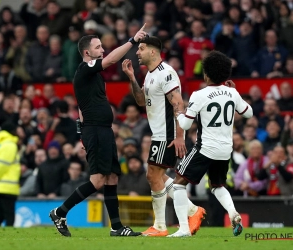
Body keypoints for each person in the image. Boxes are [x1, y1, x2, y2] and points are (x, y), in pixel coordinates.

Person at [49, 24, 148, 237]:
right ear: (87, 53)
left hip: (102, 130)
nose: (102, 50)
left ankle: (117, 227)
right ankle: (60, 212)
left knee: (112, 178)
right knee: (98, 180)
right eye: (98, 47)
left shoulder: (92, 76)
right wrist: (132, 41)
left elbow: (81, 105)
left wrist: (82, 130)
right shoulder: (85, 69)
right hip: (95, 131)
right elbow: (111, 59)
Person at [122, 36, 206, 237]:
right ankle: (192, 210)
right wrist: (132, 78)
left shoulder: (166, 73)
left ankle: (160, 226)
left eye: (141, 48)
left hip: (167, 133)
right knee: (155, 175)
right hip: (158, 132)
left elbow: (178, 104)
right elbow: (141, 101)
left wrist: (179, 136)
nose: (137, 52)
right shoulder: (150, 75)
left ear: (153, 51)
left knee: (153, 175)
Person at [169, 51, 253, 237]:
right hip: (225, 151)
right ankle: (233, 213)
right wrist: (235, 92)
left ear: (206, 74)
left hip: (205, 148)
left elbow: (184, 125)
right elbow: (249, 113)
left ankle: (183, 229)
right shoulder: (232, 93)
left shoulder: (199, 95)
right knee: (217, 186)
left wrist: (178, 111)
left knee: (178, 184)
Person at [0, 122, 20, 226]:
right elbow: (1, 166)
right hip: (7, 187)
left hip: (0, 186)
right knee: (9, 217)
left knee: (0, 215)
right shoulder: (9, 145)